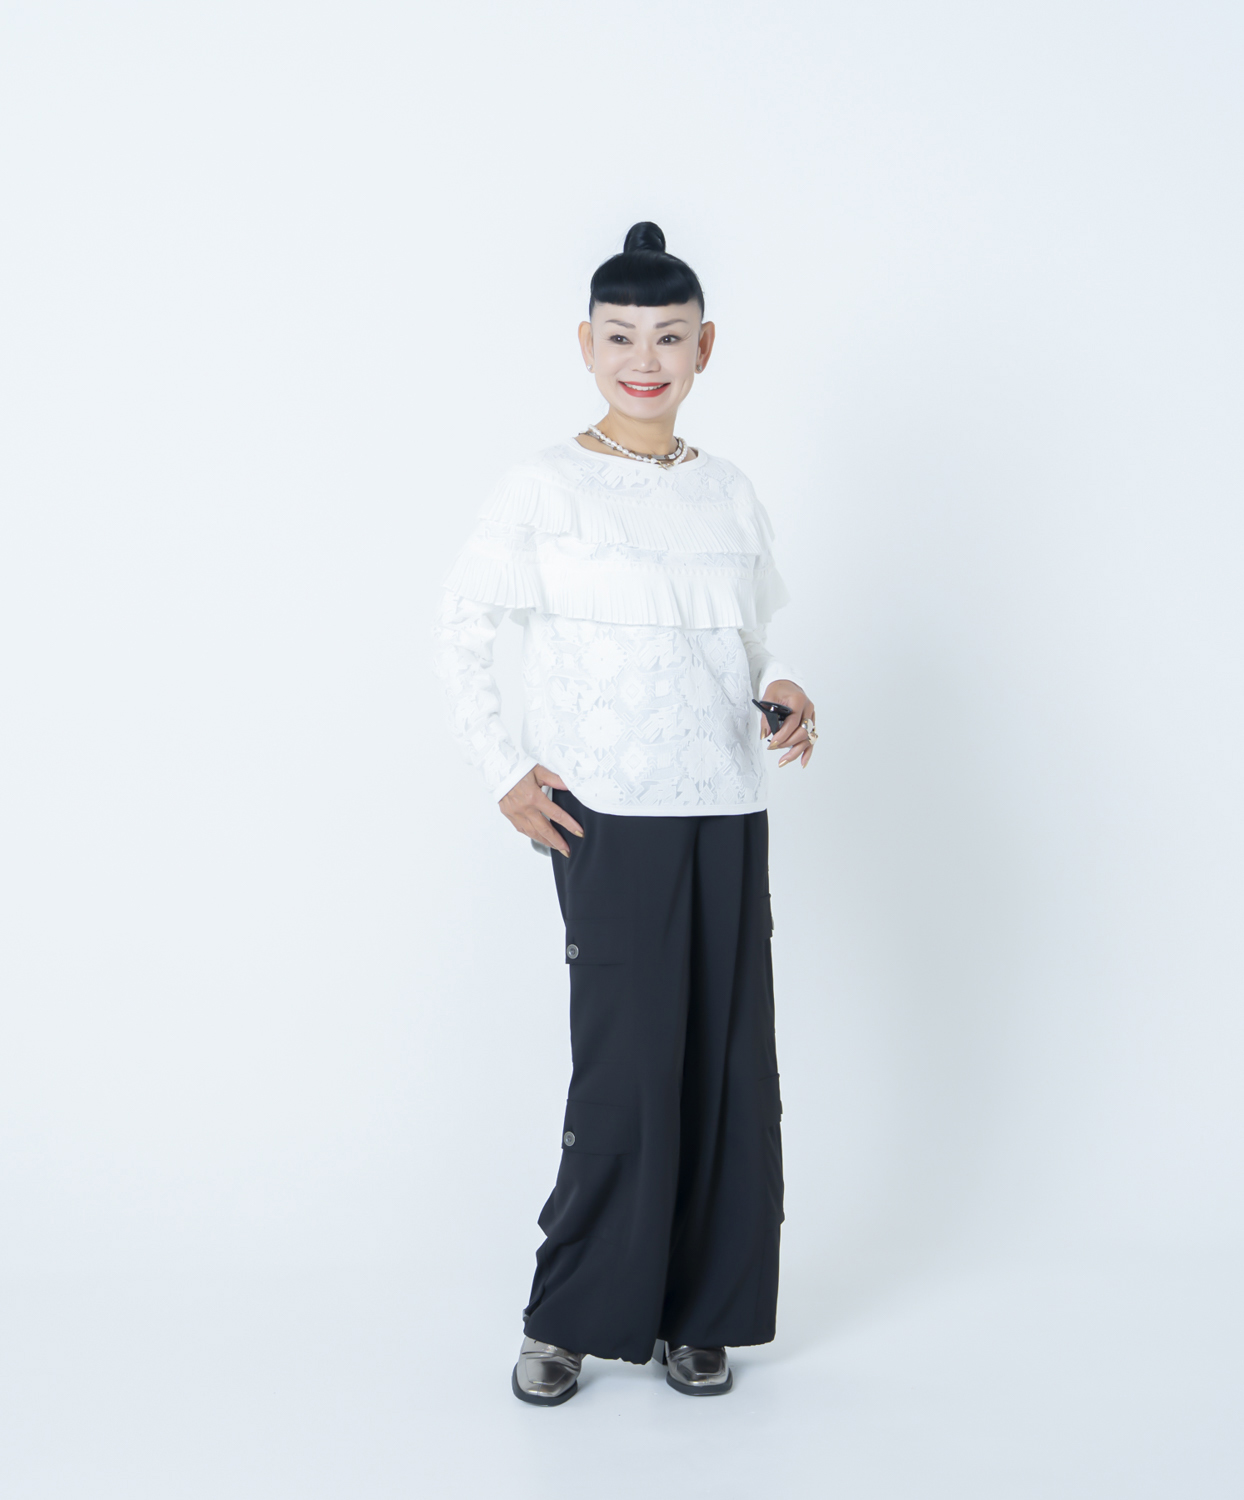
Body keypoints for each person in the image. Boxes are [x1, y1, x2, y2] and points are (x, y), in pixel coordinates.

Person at [433, 222, 817, 1405]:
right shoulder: (545, 487)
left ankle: (700, 1315)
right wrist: (505, 767)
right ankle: (570, 1315)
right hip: (606, 812)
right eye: (621, 338)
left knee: (726, 1071)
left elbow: (746, 644)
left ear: (706, 346)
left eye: (667, 337)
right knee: (626, 1071)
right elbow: (462, 628)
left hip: (727, 807)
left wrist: (784, 692)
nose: (644, 360)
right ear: (586, 345)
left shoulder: (729, 491)